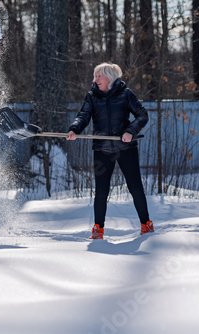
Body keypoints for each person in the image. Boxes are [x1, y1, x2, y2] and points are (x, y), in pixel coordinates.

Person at [66, 62, 154, 239]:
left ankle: (146, 224)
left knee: (135, 187)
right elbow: (83, 116)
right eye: (95, 76)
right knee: (101, 191)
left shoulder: (126, 94)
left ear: (110, 78)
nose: (96, 79)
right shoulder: (92, 96)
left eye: (100, 75)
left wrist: (130, 131)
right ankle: (98, 229)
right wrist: (74, 129)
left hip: (125, 148)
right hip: (102, 149)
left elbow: (142, 115)